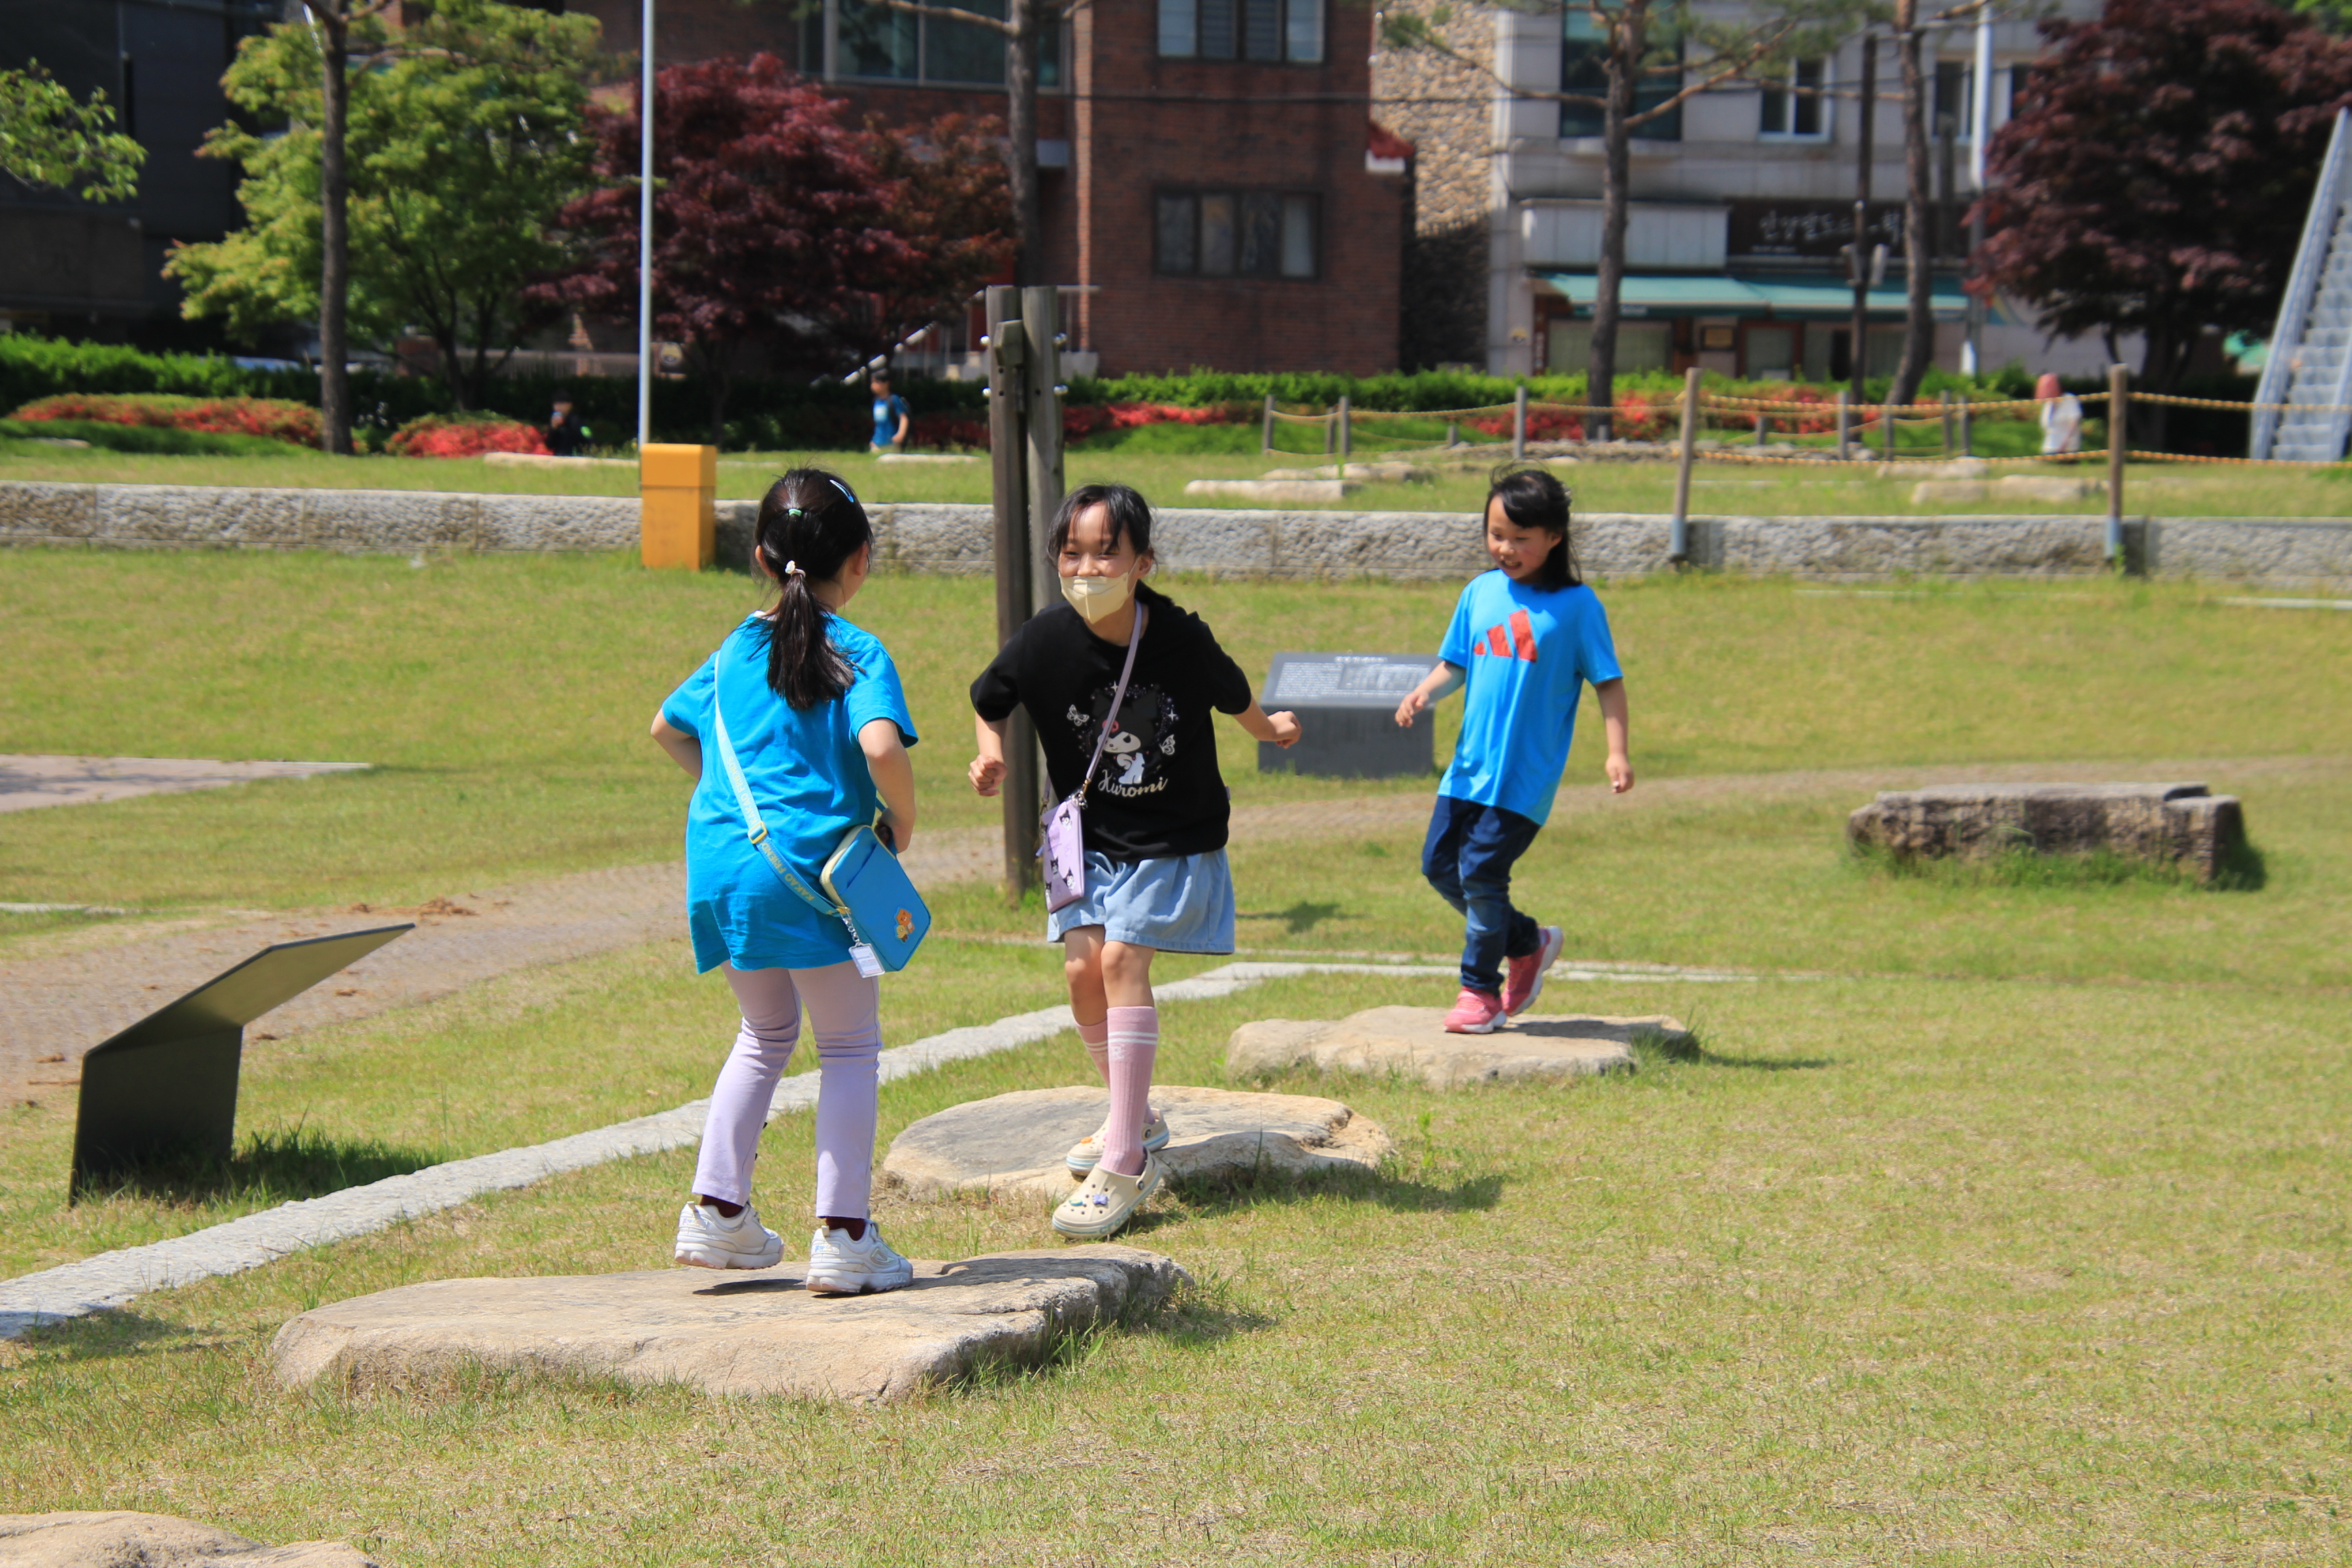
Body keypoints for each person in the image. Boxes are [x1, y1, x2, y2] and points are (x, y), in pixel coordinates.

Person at [968, 484, 1300, 1239]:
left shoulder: (1179, 635)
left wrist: (1272, 730)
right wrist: (989, 756)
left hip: (1168, 836)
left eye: (1105, 553)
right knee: (1082, 972)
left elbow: (1236, 699)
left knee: (1121, 962)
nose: (1086, 569)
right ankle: (1137, 1115)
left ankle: (1124, 1159)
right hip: (1085, 842)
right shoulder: (1044, 639)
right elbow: (991, 699)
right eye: (1072, 553)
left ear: (1143, 562)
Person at [650, 468, 921, 1294]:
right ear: (861, 559)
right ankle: (844, 1234)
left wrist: (733, 802)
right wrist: (903, 820)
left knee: (764, 1034)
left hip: (724, 868)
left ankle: (717, 1211)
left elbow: (666, 728)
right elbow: (880, 746)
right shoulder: (858, 651)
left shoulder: (734, 648)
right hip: (815, 876)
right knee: (848, 1045)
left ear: (763, 559)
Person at [1392, 468, 1633, 1036]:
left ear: (1554, 538)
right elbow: (1457, 663)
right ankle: (1527, 942)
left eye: (1521, 538)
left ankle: (1480, 992)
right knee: (1439, 867)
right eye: (1496, 534)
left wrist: (1616, 752)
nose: (1505, 548)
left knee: (1481, 871)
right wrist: (1425, 692)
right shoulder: (1479, 592)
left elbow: (1608, 683)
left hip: (1524, 779)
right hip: (1467, 771)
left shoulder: (1578, 606)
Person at [2036, 372, 2084, 458]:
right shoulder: (2048, 404)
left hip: (2067, 450)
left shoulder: (2069, 399)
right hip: (2049, 449)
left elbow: (2074, 424)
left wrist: (2064, 446)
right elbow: (2046, 426)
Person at [868, 371, 911, 455]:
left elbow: (903, 418)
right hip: (877, 443)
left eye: (877, 382)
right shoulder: (876, 401)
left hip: (892, 443)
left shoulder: (893, 400)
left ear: (886, 384)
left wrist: (901, 434)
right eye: (872, 383)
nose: (873, 385)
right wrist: (873, 440)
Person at [547, 391, 589, 457]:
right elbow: (549, 445)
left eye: (562, 404)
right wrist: (553, 429)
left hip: (575, 457)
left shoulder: (577, 421)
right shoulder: (554, 422)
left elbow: (588, 438)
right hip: (558, 457)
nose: (558, 407)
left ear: (570, 405)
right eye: (556, 404)